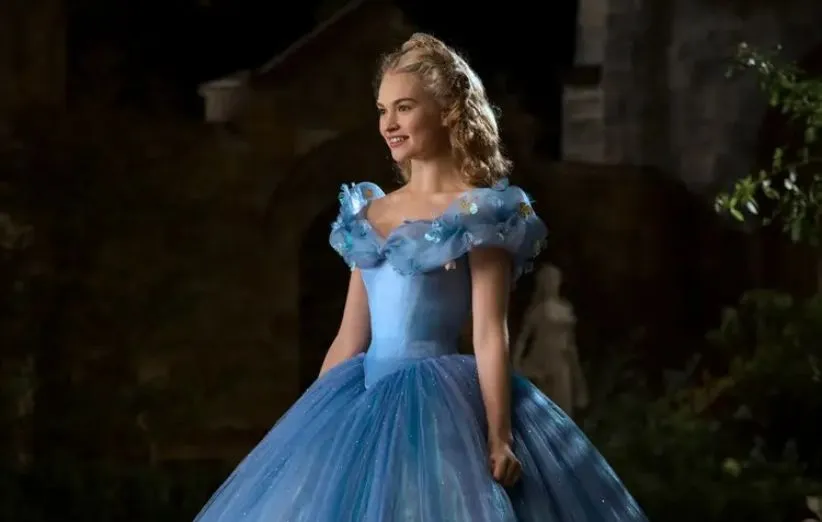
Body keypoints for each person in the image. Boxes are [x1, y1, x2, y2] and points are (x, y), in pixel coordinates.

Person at [193, 33, 647, 521]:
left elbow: (488, 333)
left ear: (448, 111)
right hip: (363, 396)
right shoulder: (370, 213)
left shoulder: (480, 212)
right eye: (382, 110)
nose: (388, 123)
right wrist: (305, 427)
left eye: (404, 108)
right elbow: (350, 336)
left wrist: (498, 434)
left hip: (438, 402)